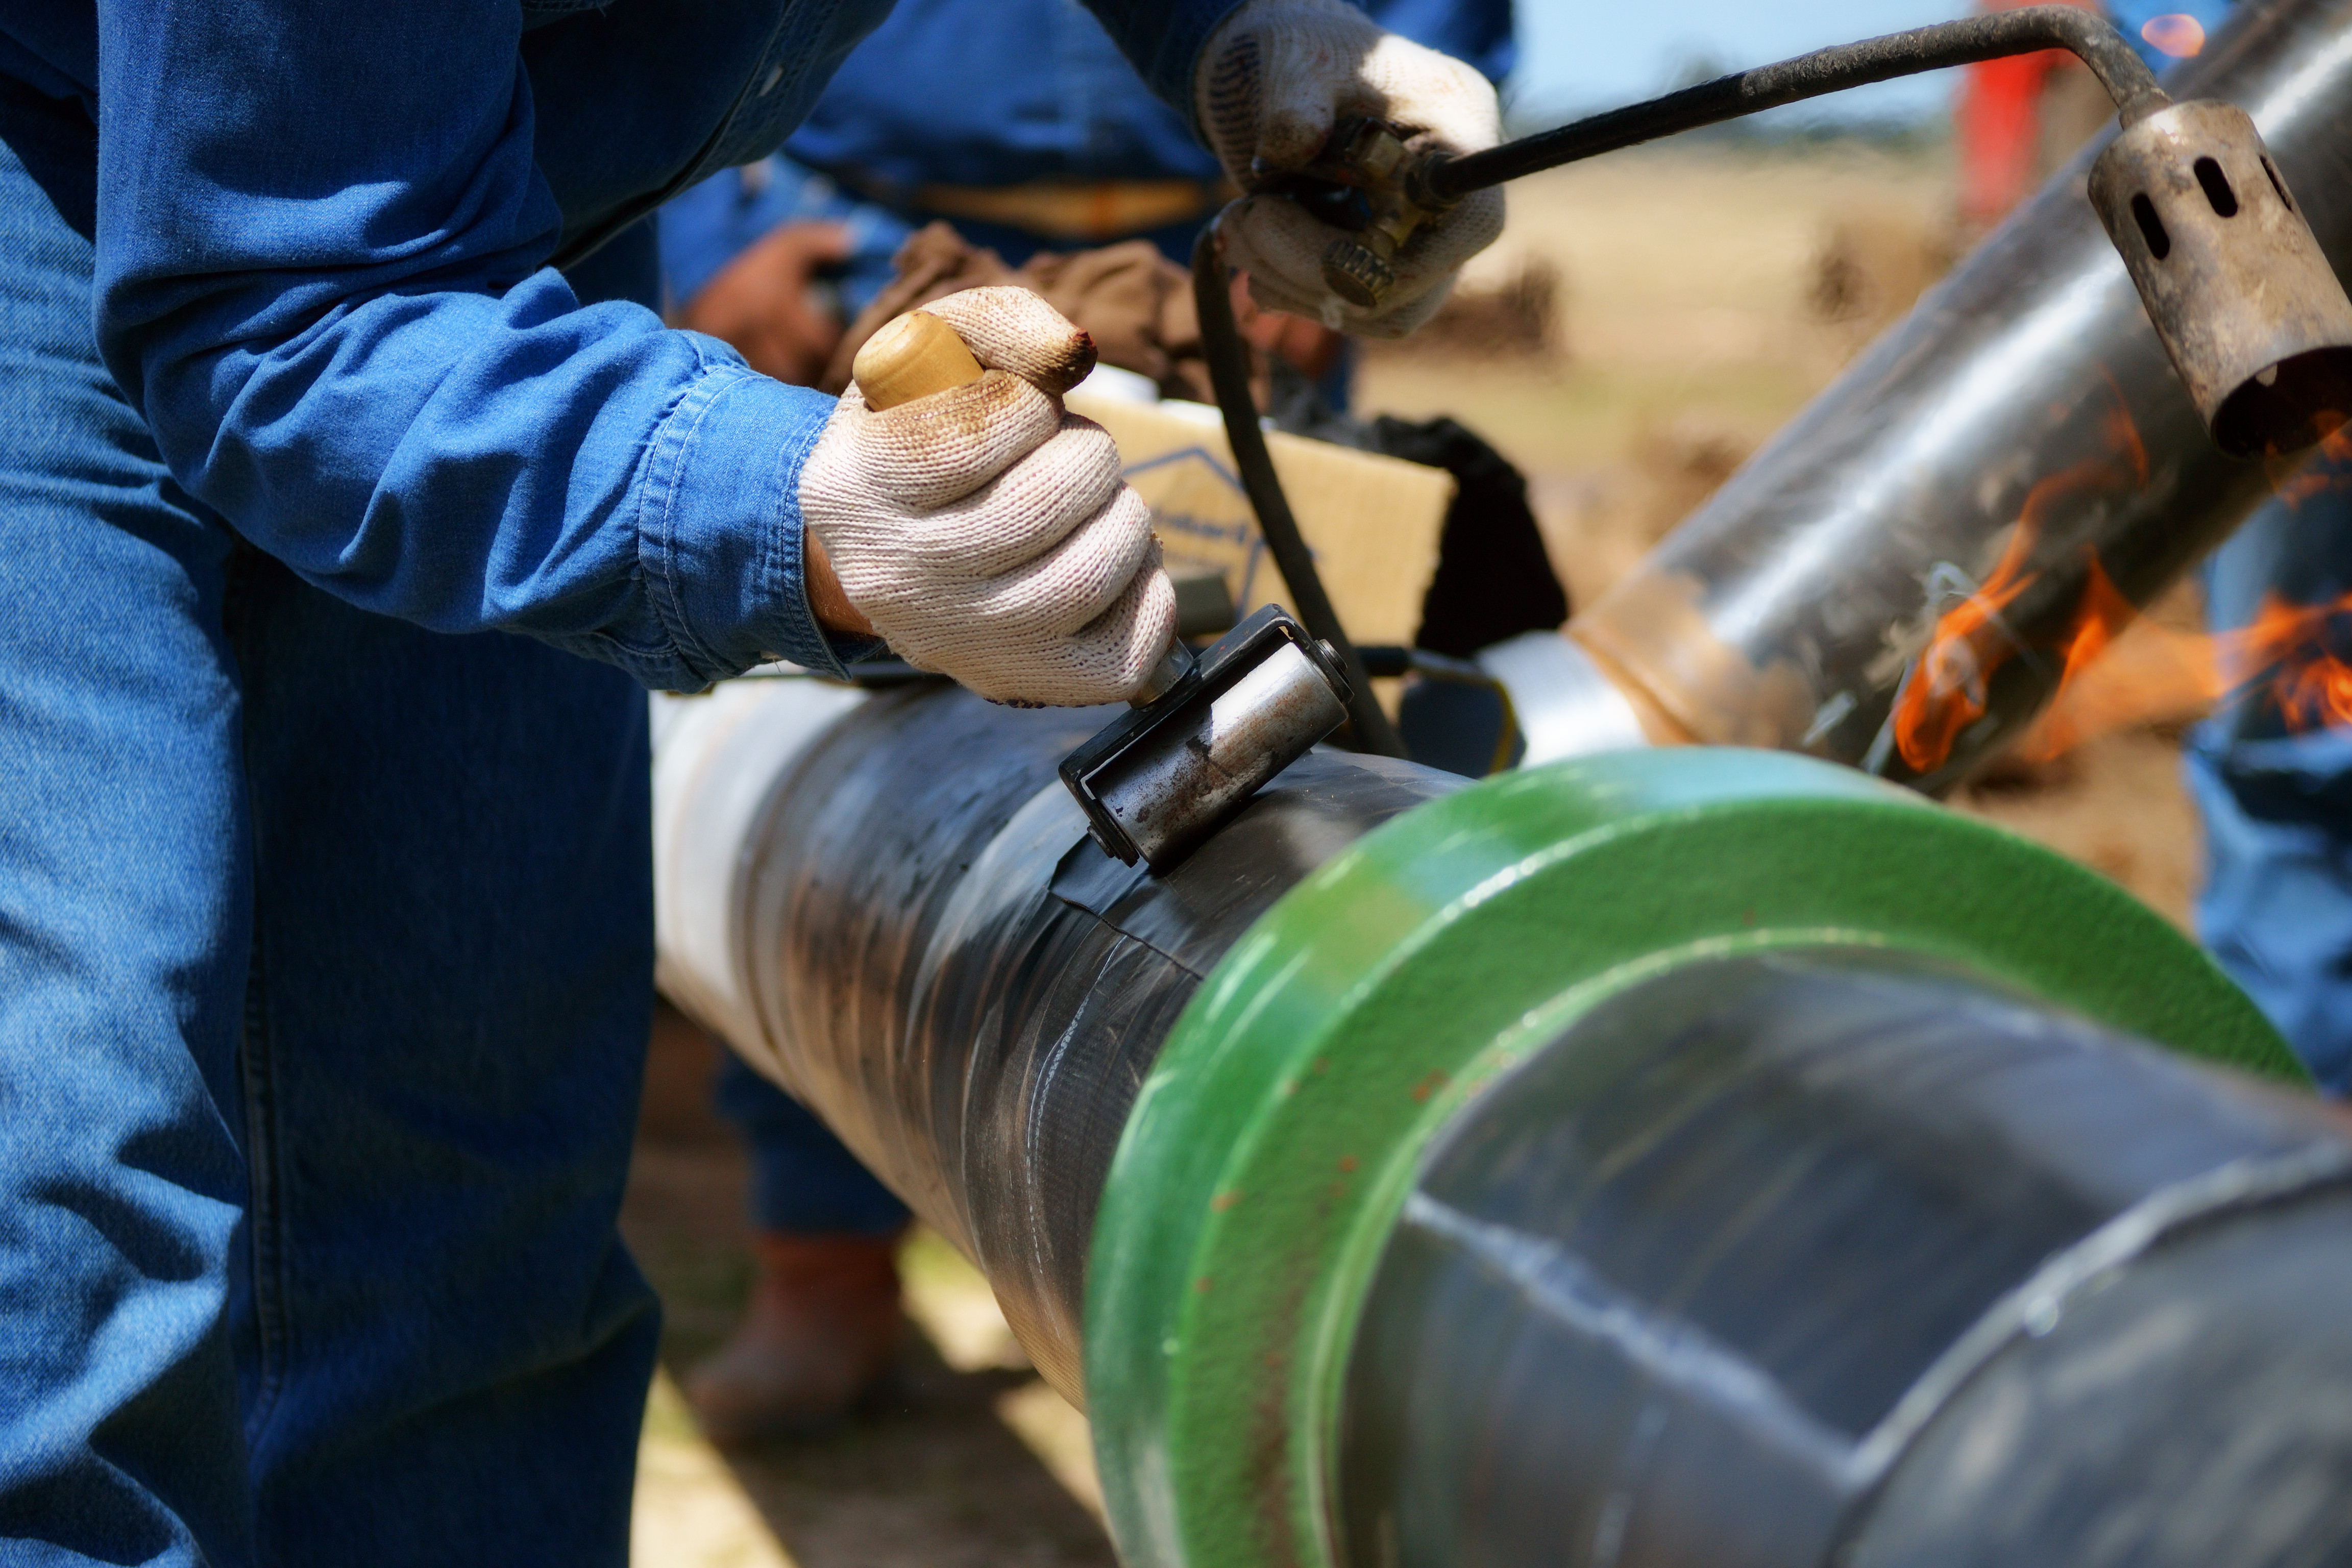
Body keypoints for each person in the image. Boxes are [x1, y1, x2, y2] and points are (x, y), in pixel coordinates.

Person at [0, 1, 1504, 1559]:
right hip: (73, 183)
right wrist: (791, 511)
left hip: (518, 204)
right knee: (75, 1168)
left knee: (464, 1159)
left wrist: (1235, 30)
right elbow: (289, 306)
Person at [648, 0, 1513, 1446]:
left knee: (1279, 756)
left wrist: (1360, 172)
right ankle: (823, 1262)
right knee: (826, 736)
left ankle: (1281, 1256)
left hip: (1242, 241)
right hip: (854, 227)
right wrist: (694, 245)